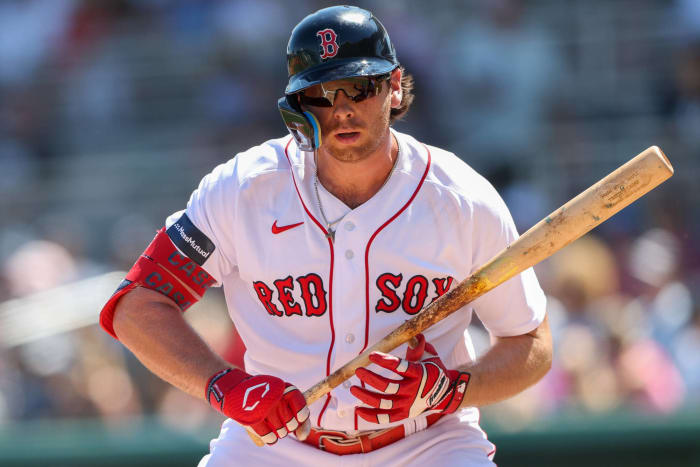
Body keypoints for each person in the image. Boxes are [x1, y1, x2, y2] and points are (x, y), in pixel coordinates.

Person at [99, 6, 552, 466]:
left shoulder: (462, 200)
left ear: (394, 86)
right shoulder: (244, 189)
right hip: (278, 447)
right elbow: (138, 304)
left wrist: (450, 390)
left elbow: (530, 344)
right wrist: (225, 386)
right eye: (321, 93)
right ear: (298, 105)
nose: (342, 110)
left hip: (428, 442)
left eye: (359, 87)